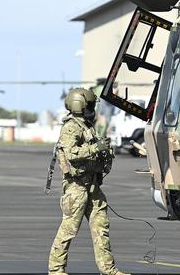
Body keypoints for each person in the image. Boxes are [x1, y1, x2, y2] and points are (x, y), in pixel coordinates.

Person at [48, 88, 129, 275]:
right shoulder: (71, 127)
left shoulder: (85, 125)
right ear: (81, 105)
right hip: (76, 187)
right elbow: (71, 153)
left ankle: (109, 269)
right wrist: (95, 148)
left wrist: (104, 151)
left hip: (92, 186)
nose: (92, 108)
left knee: (101, 229)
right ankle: (56, 270)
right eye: (90, 104)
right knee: (68, 230)